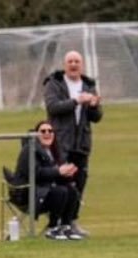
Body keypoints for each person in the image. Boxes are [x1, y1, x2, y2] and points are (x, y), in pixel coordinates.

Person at [43, 50, 101, 237]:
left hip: (81, 144)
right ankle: (55, 223)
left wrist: (93, 106)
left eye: (77, 61)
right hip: (60, 142)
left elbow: (97, 117)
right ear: (65, 64)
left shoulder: (88, 84)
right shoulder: (54, 83)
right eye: (70, 61)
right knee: (61, 183)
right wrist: (76, 101)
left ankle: (71, 222)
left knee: (79, 184)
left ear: (81, 64)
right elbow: (53, 107)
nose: (74, 64)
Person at [15, 120, 82, 240]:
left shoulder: (54, 151)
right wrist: (58, 171)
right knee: (61, 191)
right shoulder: (29, 150)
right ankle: (53, 228)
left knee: (72, 190)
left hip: (45, 190)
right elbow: (35, 173)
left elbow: (56, 173)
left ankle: (66, 226)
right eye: (43, 131)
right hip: (29, 194)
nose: (47, 133)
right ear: (36, 134)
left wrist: (68, 172)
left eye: (50, 131)